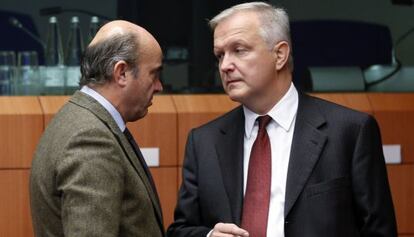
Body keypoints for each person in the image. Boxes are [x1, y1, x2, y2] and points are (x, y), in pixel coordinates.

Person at [167, 2, 397, 237]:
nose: (225, 66)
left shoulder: (350, 132)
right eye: (220, 55)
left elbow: (379, 231)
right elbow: (180, 230)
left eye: (239, 50)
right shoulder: (204, 141)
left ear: (279, 55)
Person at [30, 20, 164, 237]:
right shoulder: (90, 139)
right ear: (121, 72)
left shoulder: (79, 119)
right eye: (154, 74)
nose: (159, 86)